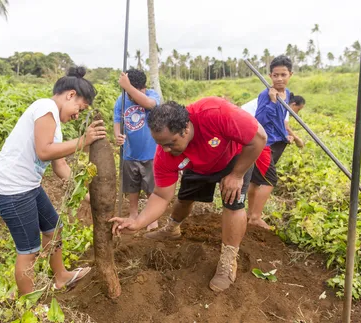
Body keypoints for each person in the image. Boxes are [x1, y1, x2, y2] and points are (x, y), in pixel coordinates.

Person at [110, 97, 267, 292]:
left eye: (170, 143)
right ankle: (173, 229)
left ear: (185, 129)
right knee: (184, 198)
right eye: (161, 144)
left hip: (233, 159)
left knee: (233, 203)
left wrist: (237, 175)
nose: (165, 149)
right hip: (196, 164)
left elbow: (259, 137)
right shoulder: (166, 154)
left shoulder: (216, 113)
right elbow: (161, 196)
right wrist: (138, 222)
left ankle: (228, 259)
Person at [0, 66, 107, 295]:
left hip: (28, 187)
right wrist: (83, 141)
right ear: (70, 94)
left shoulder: (54, 121)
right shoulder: (45, 107)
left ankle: (61, 277)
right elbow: (44, 151)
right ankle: (28, 305)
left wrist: (88, 197)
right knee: (29, 250)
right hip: (11, 191)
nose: (77, 115)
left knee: (54, 228)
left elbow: (60, 165)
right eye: (79, 108)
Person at [247, 55, 301, 230]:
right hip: (264, 143)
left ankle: (250, 214)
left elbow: (280, 119)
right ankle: (255, 217)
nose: (279, 79)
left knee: (256, 180)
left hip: (276, 142)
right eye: (276, 75)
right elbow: (260, 119)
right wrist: (271, 101)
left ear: (290, 75)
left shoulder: (287, 94)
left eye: (283, 75)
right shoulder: (266, 94)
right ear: (270, 76)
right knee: (269, 180)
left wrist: (286, 135)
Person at [114, 69, 161, 231]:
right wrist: (117, 135)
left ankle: (151, 218)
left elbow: (150, 105)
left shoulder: (152, 95)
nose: (131, 97)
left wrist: (128, 88)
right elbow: (117, 120)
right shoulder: (121, 99)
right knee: (131, 188)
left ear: (143, 88)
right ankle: (133, 214)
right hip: (130, 154)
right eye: (128, 93)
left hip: (151, 153)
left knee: (151, 188)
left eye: (132, 93)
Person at [242, 93, 306, 148]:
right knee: (282, 138)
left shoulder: (278, 100)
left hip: (243, 117)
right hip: (246, 122)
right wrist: (297, 140)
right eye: (298, 109)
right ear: (293, 104)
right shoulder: (284, 105)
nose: (296, 113)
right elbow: (285, 127)